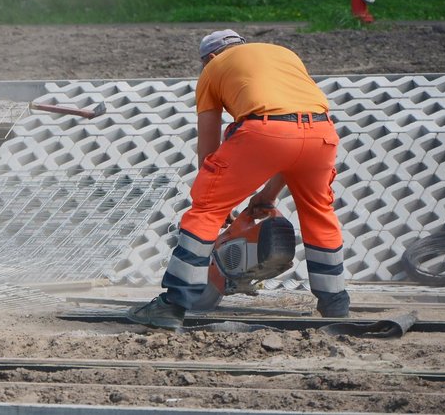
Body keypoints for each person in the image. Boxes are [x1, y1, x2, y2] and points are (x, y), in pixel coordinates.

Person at [129, 29, 350, 328]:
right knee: (318, 212)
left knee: (205, 210)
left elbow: (209, 142)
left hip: (263, 131)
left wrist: (214, 199)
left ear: (209, 57)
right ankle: (336, 305)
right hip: (321, 133)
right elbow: (294, 138)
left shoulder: (213, 69)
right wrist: (269, 194)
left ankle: (172, 306)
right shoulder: (284, 55)